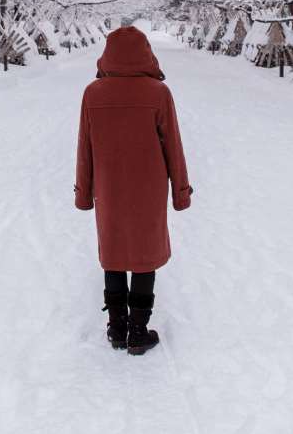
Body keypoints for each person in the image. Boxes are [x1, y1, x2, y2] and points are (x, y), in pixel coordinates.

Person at [74, 26, 192, 355]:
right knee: (143, 256)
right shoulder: (158, 93)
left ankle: (116, 327)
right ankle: (138, 331)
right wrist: (180, 192)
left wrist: (83, 193)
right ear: (146, 54)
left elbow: (85, 148)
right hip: (149, 189)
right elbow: (174, 147)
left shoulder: (92, 93)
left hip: (108, 188)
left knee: (112, 253)